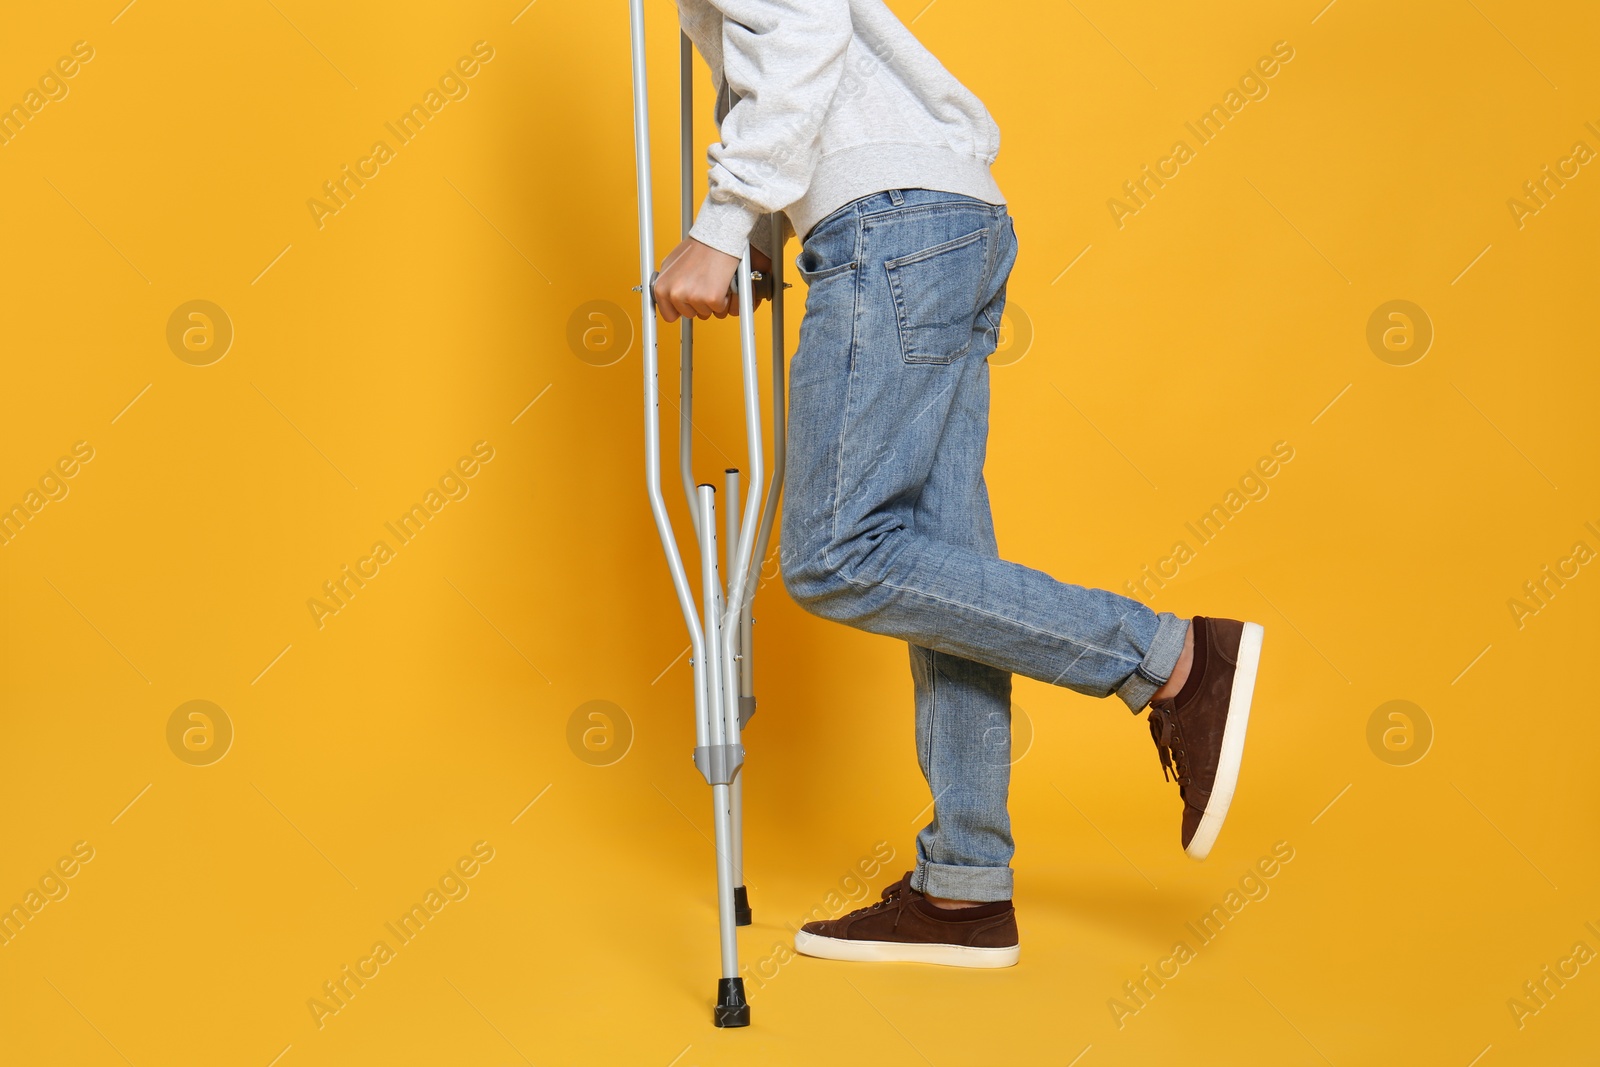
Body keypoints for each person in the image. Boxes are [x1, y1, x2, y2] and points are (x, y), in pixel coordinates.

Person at [654, 0, 1266, 969]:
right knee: (939, 562)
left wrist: (723, 223)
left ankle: (1173, 659)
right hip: (938, 216)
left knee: (834, 555)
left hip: (887, 230)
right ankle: (964, 885)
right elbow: (785, 62)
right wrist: (762, 236)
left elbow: (805, 27)